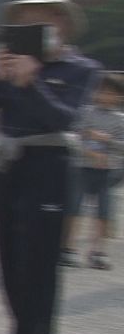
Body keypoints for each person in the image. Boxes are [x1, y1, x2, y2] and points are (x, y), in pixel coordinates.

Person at [0, 0, 101, 334]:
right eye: (25, 18)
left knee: (39, 266)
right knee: (9, 260)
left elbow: (63, 120)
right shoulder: (13, 63)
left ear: (62, 22)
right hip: (9, 165)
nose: (33, 24)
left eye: (43, 16)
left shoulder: (81, 69)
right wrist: (1, 74)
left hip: (50, 166)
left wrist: (33, 83)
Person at [61, 74, 124, 269]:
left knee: (103, 212)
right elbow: (72, 137)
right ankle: (68, 248)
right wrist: (88, 151)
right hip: (81, 167)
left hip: (107, 170)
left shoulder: (120, 119)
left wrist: (106, 140)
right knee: (74, 208)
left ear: (119, 97)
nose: (105, 96)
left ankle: (98, 251)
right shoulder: (86, 113)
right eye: (102, 91)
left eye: (111, 93)